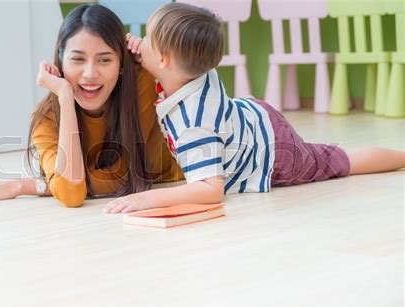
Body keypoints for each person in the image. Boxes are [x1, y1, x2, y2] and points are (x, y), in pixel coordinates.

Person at [103, 2, 405, 213]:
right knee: (333, 154)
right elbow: (169, 58)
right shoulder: (191, 69)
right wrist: (143, 52)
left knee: (340, 161)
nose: (139, 42)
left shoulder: (194, 125)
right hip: (255, 121)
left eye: (147, 39)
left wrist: (149, 200)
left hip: (274, 153)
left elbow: (211, 190)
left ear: (165, 59)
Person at [0, 4, 183, 207]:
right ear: (60, 61)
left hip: (185, 183)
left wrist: (27, 186)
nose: (90, 73)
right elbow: (72, 194)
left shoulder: (139, 84)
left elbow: (125, 178)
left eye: (104, 59)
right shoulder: (46, 118)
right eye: (78, 59)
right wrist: (64, 95)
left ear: (121, 65)